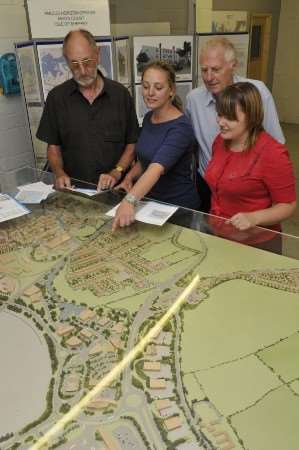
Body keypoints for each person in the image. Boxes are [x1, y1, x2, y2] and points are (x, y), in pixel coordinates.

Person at [186, 36, 285, 212]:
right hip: (208, 184)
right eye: (204, 70)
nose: (209, 77)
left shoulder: (258, 92)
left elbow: (276, 143)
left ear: (233, 65)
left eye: (216, 69)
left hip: (247, 190)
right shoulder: (193, 99)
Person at [37, 29, 139, 189]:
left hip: (115, 190)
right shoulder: (57, 98)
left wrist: (116, 171)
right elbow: (53, 147)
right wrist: (59, 172)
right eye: (75, 64)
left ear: (97, 54)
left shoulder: (120, 95)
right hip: (74, 191)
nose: (83, 71)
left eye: (87, 62)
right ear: (66, 61)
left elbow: (132, 144)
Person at [204, 82, 296, 252]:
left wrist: (254, 217)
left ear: (251, 117)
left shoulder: (272, 153)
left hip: (257, 243)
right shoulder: (220, 141)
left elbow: (288, 205)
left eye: (230, 117)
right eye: (219, 114)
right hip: (220, 234)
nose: (221, 122)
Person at [112, 61, 201, 231]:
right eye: (145, 86)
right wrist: (129, 178)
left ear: (171, 91)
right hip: (151, 204)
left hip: (179, 209)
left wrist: (129, 201)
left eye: (158, 87)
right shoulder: (148, 118)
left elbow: (155, 168)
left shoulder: (181, 128)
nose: (150, 93)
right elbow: (145, 158)